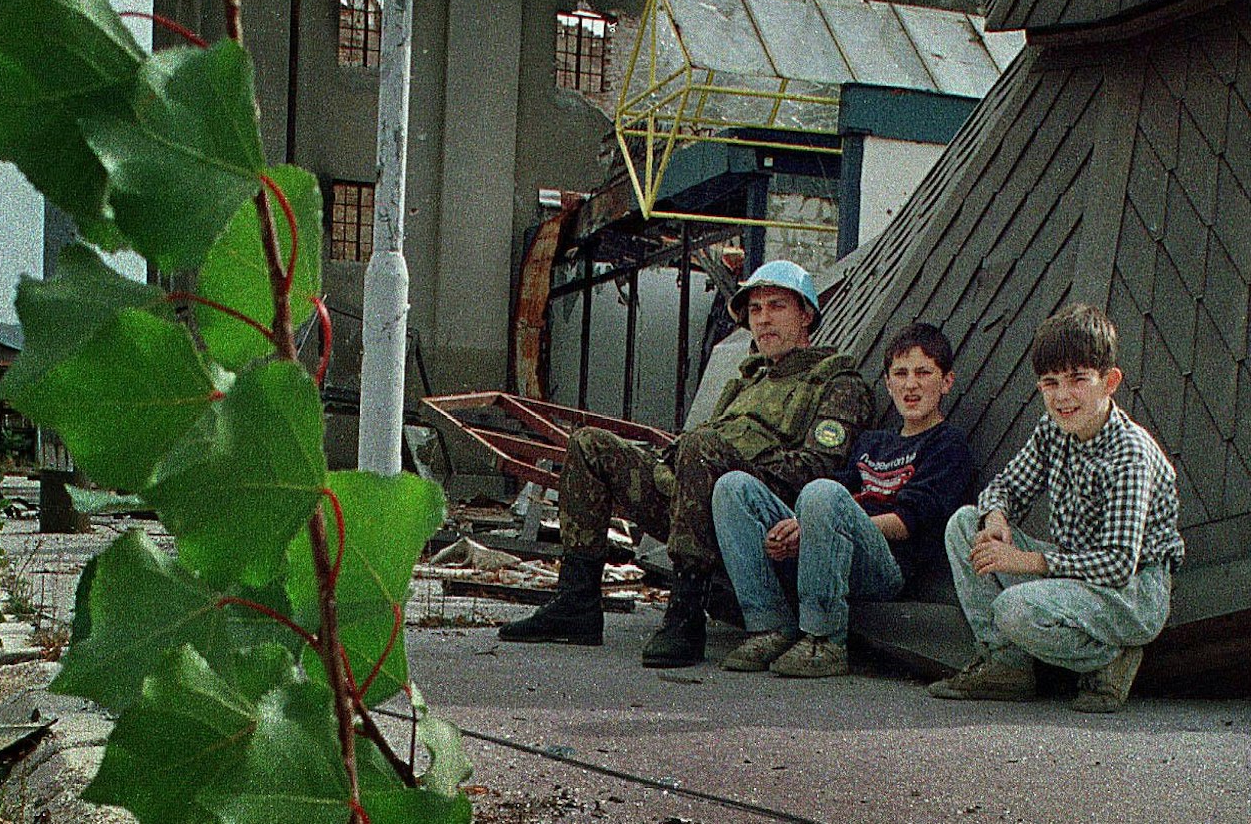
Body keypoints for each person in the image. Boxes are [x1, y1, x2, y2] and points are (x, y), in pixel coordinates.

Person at [497, 260, 875, 669]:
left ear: (806, 314)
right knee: (590, 444)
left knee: (702, 445)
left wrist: (725, 455)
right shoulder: (747, 383)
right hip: (700, 503)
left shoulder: (836, 382)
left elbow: (816, 470)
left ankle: (686, 613)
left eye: (777, 307)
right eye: (756, 309)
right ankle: (576, 602)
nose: (763, 319)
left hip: (762, 517)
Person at [928, 303, 1183, 713]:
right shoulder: (1054, 429)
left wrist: (1026, 561)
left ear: (1110, 381)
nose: (1063, 396)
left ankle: (1109, 659)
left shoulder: (1130, 454)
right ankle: (1005, 664)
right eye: (1050, 382)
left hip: (1130, 592)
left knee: (1015, 609)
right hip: (1073, 574)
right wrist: (996, 519)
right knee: (963, 524)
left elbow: (1118, 563)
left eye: (1078, 379)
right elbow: (1005, 486)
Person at [712, 322, 973, 678]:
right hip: (829, 548)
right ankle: (769, 627)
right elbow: (837, 491)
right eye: (900, 373)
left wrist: (821, 527)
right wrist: (797, 529)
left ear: (946, 382)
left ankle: (824, 639)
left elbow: (906, 523)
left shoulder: (948, 445)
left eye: (923, 372)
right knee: (733, 487)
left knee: (822, 493)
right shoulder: (872, 443)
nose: (911, 384)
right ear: (888, 383)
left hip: (884, 566)